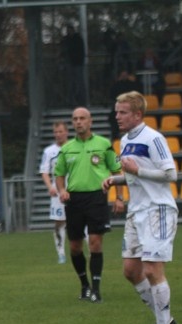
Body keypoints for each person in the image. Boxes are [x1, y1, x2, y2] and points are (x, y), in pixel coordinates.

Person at [102, 91, 178, 324]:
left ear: (137, 114)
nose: (118, 116)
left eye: (122, 112)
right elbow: (136, 177)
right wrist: (117, 180)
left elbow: (170, 174)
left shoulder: (154, 138)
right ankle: (165, 318)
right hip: (137, 212)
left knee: (152, 270)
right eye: (116, 112)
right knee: (131, 271)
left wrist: (136, 170)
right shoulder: (124, 140)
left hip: (158, 210)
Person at [54, 107, 121, 303]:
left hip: (96, 197)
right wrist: (62, 190)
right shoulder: (66, 148)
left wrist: (119, 198)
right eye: (75, 119)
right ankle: (84, 285)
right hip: (74, 199)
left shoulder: (104, 144)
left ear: (90, 121)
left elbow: (116, 170)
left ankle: (97, 290)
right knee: (75, 246)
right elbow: (58, 174)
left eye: (82, 118)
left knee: (95, 243)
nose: (78, 122)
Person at [39, 121, 69, 264]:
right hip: (58, 193)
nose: (58, 134)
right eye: (55, 132)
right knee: (59, 223)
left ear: (66, 132)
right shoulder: (49, 151)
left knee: (83, 221)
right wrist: (50, 187)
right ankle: (61, 253)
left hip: (76, 190)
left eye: (60, 131)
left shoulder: (73, 147)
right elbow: (44, 172)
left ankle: (88, 251)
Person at [107, 70, 141, 140]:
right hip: (119, 107)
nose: (124, 75)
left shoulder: (132, 85)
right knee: (113, 118)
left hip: (131, 106)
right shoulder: (116, 85)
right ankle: (116, 137)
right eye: (122, 74)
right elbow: (112, 96)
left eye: (125, 74)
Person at [63, 27, 87, 106]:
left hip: (77, 63)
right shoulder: (67, 40)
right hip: (70, 63)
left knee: (79, 83)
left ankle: (81, 101)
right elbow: (64, 50)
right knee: (71, 83)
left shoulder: (77, 39)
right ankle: (71, 101)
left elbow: (80, 51)